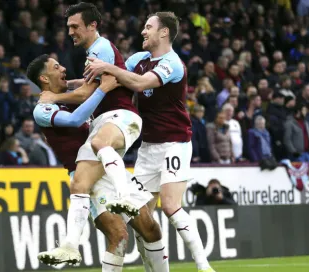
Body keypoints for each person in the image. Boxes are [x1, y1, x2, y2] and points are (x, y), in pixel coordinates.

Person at [84, 11, 214, 272]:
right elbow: (111, 81)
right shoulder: (139, 59)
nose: (143, 31)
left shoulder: (172, 63)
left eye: (148, 27)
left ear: (163, 32)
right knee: (141, 219)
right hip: (148, 148)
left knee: (170, 206)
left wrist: (107, 66)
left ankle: (204, 266)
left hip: (175, 143)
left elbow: (141, 84)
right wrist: (66, 89)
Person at [29, 55, 168, 271]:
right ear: (44, 78)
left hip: (104, 168)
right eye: (57, 67)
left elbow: (81, 88)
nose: (63, 68)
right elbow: (75, 120)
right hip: (85, 176)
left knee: (151, 229)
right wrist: (102, 89)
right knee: (119, 236)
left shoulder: (67, 99)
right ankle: (69, 245)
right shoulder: (42, 109)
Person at [39, 3, 142, 216]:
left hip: (119, 116)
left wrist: (54, 96)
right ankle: (70, 247)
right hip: (108, 121)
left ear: (92, 25)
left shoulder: (101, 49)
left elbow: (86, 93)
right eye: (68, 27)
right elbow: (87, 85)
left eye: (75, 26)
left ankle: (125, 197)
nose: (70, 32)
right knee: (79, 185)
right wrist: (68, 85)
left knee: (97, 145)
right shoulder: (95, 51)